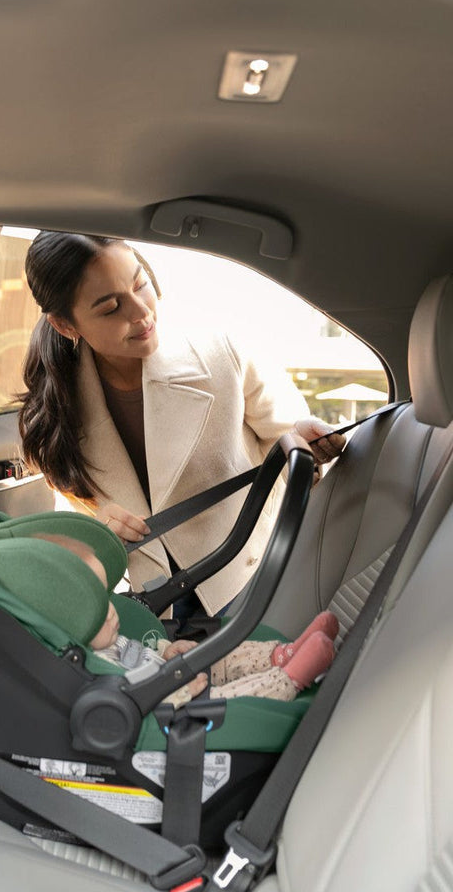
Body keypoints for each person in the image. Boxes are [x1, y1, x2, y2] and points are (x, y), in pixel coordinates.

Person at [18, 231, 346, 621]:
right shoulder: (57, 408)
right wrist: (99, 532)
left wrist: (309, 446)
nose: (141, 313)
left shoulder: (220, 352)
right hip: (154, 608)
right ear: (65, 325)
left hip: (252, 582)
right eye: (110, 308)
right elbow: (75, 517)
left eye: (140, 284)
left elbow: (290, 446)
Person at [39, 534, 337, 705]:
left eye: (107, 597)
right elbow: (132, 702)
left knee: (222, 654)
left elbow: (140, 654)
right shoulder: (91, 672)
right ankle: (289, 678)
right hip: (181, 704)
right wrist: (180, 692)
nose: (112, 611)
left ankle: (282, 654)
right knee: (231, 697)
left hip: (175, 672)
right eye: (96, 608)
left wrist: (165, 650)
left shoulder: (107, 641)